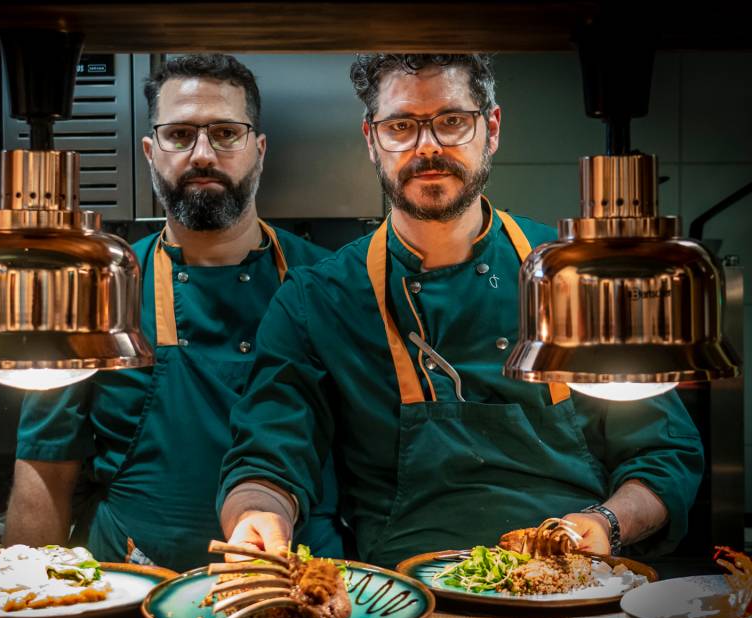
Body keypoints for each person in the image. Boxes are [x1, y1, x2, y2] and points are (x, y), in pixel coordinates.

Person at [217, 53, 703, 568]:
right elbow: (269, 456)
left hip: (578, 584)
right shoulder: (317, 299)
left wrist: (605, 524)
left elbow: (663, 454)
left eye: (452, 121)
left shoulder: (578, 275)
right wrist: (257, 516)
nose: (428, 147)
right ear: (371, 139)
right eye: (401, 125)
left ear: (491, 128)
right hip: (401, 603)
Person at [5, 54, 343, 571]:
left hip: (300, 582)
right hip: (132, 584)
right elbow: (47, 463)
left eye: (226, 133)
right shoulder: (95, 288)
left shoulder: (327, 283)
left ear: (260, 149)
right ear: (150, 151)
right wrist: (24, 596)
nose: (202, 154)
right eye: (180, 134)